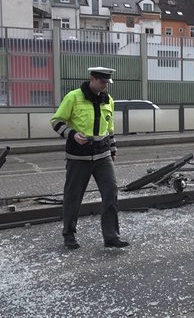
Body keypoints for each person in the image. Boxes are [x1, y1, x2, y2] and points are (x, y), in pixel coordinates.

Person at [50, 66, 129, 250]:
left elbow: (109, 128)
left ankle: (111, 237)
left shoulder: (108, 99)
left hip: (103, 156)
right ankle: (69, 235)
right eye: (102, 82)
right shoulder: (73, 97)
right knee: (73, 197)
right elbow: (56, 121)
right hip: (78, 157)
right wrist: (72, 135)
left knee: (111, 194)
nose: (104, 86)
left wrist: (113, 150)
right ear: (92, 79)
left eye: (107, 83)